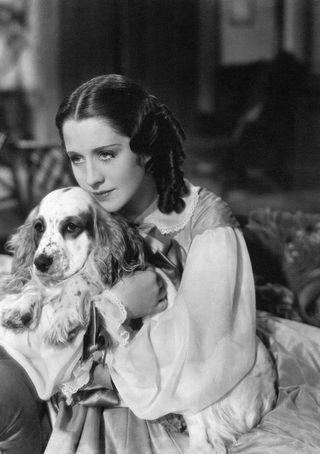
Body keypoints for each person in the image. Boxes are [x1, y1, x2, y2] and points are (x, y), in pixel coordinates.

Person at [42, 73, 257, 454]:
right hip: (107, 388)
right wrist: (115, 308)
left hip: (185, 398)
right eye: (77, 158)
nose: (91, 178)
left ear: (143, 149)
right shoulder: (83, 217)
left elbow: (201, 360)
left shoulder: (208, 227)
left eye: (107, 154)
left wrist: (113, 312)